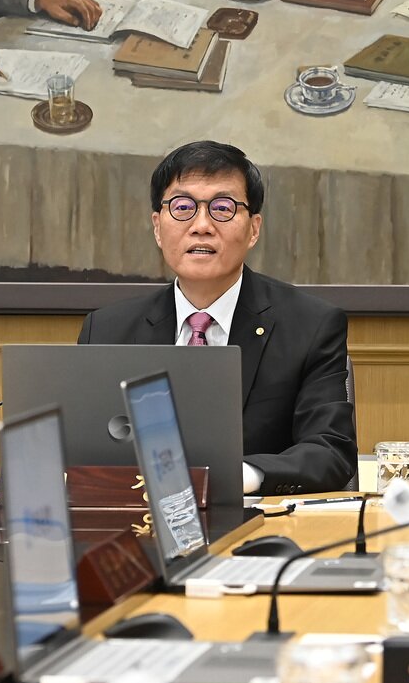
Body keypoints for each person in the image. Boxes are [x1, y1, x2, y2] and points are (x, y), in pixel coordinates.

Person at [77, 141, 356, 496]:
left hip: (260, 531)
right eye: (182, 207)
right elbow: (83, 451)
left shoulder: (311, 325)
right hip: (139, 531)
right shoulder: (107, 330)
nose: (201, 225)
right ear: (158, 227)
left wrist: (240, 476)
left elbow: (329, 452)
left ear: (254, 228)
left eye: (223, 208)